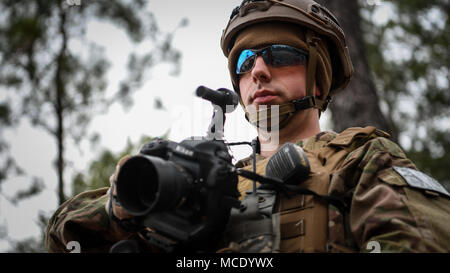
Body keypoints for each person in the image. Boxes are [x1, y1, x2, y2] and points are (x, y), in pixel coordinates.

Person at [45, 0, 450, 253]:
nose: (258, 70)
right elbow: (64, 238)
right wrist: (126, 203)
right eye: (245, 62)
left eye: (279, 54)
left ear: (317, 76)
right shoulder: (202, 185)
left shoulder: (360, 159)